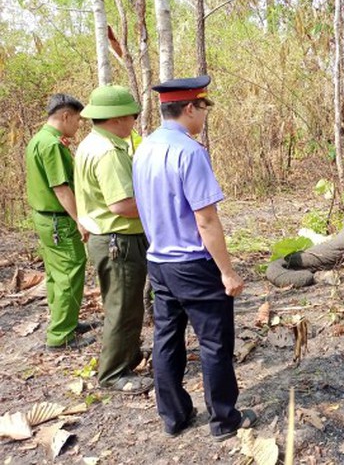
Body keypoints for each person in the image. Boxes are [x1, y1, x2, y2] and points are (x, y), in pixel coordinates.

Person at [132, 75, 257, 440]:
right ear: (189, 108)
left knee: (167, 338)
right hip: (192, 263)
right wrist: (228, 272)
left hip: (158, 261)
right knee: (215, 342)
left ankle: (174, 416)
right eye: (202, 107)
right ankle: (223, 419)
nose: (204, 115)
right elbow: (205, 219)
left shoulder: (145, 148)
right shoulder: (189, 152)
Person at [74, 85, 153, 395]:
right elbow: (121, 204)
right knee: (122, 306)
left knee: (126, 303)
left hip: (109, 237)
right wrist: (158, 207)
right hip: (118, 238)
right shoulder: (108, 152)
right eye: (132, 116)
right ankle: (113, 373)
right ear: (118, 118)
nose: (133, 122)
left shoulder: (92, 143)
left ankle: (128, 355)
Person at [25, 94, 93, 350]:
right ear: (65, 116)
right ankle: (61, 335)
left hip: (45, 218)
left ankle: (65, 321)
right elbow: (61, 188)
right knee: (69, 271)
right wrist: (80, 220)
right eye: (77, 120)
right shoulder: (51, 144)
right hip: (58, 220)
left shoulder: (39, 139)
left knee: (56, 273)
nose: (77, 125)